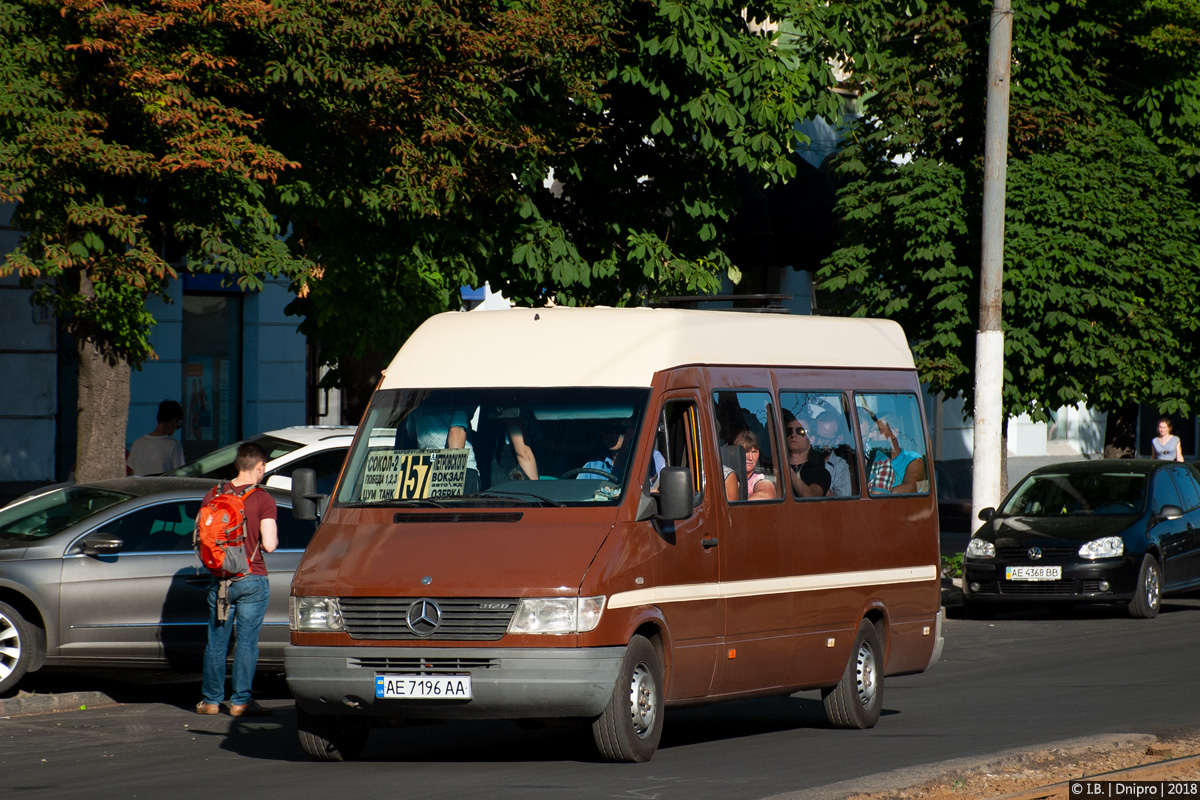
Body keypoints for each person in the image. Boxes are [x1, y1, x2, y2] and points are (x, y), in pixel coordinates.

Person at [196, 442, 278, 717]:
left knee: (216, 642)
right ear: (259, 467)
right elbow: (270, 545)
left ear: (237, 464)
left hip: (219, 581)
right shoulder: (263, 499)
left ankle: (210, 701)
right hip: (252, 578)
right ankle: (241, 701)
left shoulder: (214, 493)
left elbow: (201, 536)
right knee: (246, 643)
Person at [127, 400, 185, 476]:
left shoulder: (138, 443)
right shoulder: (173, 444)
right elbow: (180, 475)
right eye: (178, 425)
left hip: (141, 487)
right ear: (174, 420)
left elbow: (132, 471)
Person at [783, 410, 831, 498]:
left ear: (812, 439)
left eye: (800, 431)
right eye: (789, 431)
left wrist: (787, 470)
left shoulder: (821, 473)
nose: (793, 435)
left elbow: (810, 496)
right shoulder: (775, 467)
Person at [874, 417, 928, 494]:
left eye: (878, 431)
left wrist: (876, 494)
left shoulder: (913, 459)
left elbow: (910, 488)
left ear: (894, 432)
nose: (871, 436)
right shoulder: (872, 460)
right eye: (871, 432)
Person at [811, 413, 852, 497]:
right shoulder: (804, 458)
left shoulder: (840, 467)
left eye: (824, 439)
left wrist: (822, 488)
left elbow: (842, 505)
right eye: (817, 436)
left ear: (838, 439)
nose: (818, 442)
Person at [733, 429, 776, 501]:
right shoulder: (728, 476)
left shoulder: (759, 480)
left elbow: (766, 496)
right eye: (746, 452)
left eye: (754, 452)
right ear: (736, 453)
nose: (750, 458)